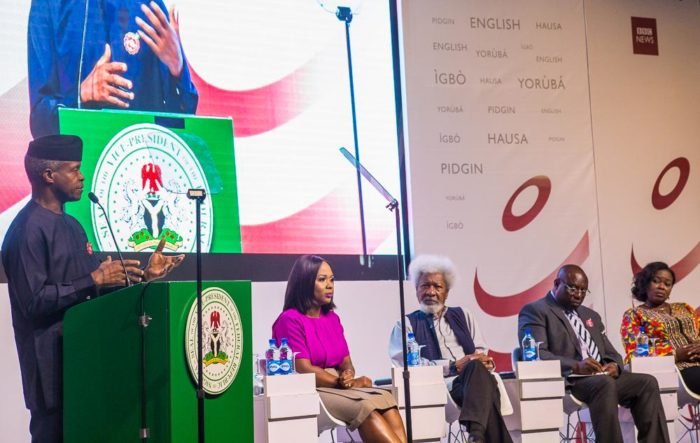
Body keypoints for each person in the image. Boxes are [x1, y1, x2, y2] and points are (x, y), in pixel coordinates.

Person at [2, 134, 185, 443]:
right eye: (74, 169)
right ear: (49, 175)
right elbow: (33, 302)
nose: (82, 176)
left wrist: (144, 277)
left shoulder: (73, 227)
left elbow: (97, 289)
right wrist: (93, 279)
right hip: (51, 378)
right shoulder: (25, 232)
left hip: (87, 367)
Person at [518, 264, 669, 443]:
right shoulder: (536, 311)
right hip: (571, 380)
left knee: (647, 383)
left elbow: (612, 353)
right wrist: (576, 366)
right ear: (557, 283)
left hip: (602, 377)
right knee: (604, 384)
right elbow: (537, 354)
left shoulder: (591, 315)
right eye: (573, 288)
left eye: (583, 291)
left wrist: (615, 367)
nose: (578, 294)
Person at [272, 255, 407, 443]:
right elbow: (303, 368)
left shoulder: (332, 319)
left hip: (339, 386)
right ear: (304, 283)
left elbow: (346, 363)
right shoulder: (289, 319)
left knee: (387, 400)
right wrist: (340, 382)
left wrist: (348, 375)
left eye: (332, 279)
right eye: (322, 279)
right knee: (367, 409)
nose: (330, 285)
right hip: (313, 390)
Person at [28, 0, 199, 137]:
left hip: (140, 167)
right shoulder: (48, 5)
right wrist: (80, 96)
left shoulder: (148, 7)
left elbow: (181, 124)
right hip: (77, 170)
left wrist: (178, 69)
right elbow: (39, 122)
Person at [388, 255, 512, 443]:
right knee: (483, 383)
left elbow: (480, 351)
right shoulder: (405, 324)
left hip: (473, 383)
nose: (430, 292)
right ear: (416, 290)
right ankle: (476, 436)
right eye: (425, 286)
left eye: (437, 286)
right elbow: (406, 366)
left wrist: (477, 362)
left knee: (477, 370)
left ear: (447, 291)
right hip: (441, 388)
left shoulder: (464, 315)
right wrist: (453, 366)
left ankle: (476, 436)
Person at [621, 261, 700, 393]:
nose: (662, 287)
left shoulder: (684, 308)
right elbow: (635, 354)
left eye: (667, 284)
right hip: (675, 370)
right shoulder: (635, 314)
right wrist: (676, 355)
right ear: (645, 284)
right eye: (656, 281)